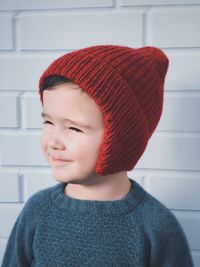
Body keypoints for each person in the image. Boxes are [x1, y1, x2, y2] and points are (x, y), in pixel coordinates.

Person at [1, 45, 194, 267]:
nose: (53, 141)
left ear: (121, 138)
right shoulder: (37, 211)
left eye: (74, 128)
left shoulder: (156, 226)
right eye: (48, 122)